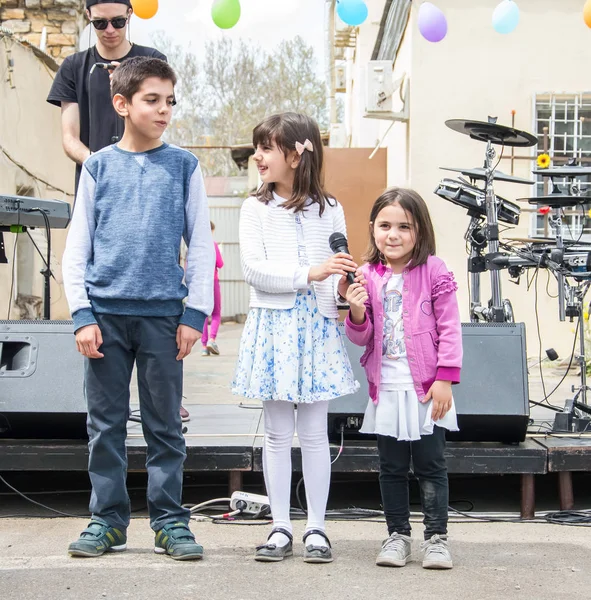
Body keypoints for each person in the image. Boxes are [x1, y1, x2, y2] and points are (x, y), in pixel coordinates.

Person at [62, 57, 214, 560]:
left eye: (170, 100)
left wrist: (194, 316)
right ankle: (107, 521)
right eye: (153, 99)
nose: (165, 109)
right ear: (122, 104)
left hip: (163, 320)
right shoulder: (99, 167)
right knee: (104, 425)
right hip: (104, 318)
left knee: (164, 425)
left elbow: (203, 246)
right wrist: (82, 314)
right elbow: (77, 247)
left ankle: (170, 521)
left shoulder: (184, 166)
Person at [232, 112, 362, 564]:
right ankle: (281, 526)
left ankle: (317, 529)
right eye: (258, 147)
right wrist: (312, 272)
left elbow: (333, 271)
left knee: (314, 435)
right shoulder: (255, 208)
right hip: (275, 325)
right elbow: (253, 270)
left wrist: (345, 287)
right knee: (276, 433)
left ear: (296, 153)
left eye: (267, 148)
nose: (258, 157)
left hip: (319, 324)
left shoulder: (330, 207)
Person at [344, 187, 462, 570]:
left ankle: (436, 539)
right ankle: (397, 535)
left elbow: (449, 327)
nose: (392, 235)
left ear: (419, 232)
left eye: (403, 227)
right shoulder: (364, 275)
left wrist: (445, 378)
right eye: (384, 226)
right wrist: (357, 312)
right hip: (387, 389)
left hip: (429, 389)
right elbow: (361, 336)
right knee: (391, 465)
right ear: (373, 229)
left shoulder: (435, 271)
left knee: (431, 464)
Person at [46, 0, 166, 191]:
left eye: (118, 21)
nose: (110, 30)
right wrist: (100, 164)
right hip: (95, 184)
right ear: (88, 16)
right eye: (100, 23)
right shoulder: (73, 67)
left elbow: (157, 123)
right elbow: (69, 138)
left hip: (143, 182)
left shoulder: (154, 61)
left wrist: (131, 86)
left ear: (129, 14)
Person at [202, 221, 224, 356]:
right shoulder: (213, 245)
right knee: (216, 313)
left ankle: (204, 347)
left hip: (202, 283)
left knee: (204, 314)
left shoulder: (197, 245)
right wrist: (219, 251)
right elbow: (220, 264)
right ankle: (212, 340)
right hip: (213, 281)